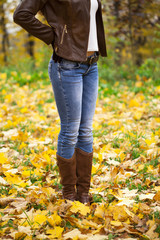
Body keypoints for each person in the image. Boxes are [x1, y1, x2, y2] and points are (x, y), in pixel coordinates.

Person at [13, 0, 107, 204]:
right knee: (70, 130)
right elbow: (21, 14)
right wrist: (52, 36)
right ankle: (69, 194)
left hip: (91, 65)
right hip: (66, 65)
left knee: (86, 130)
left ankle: (83, 193)